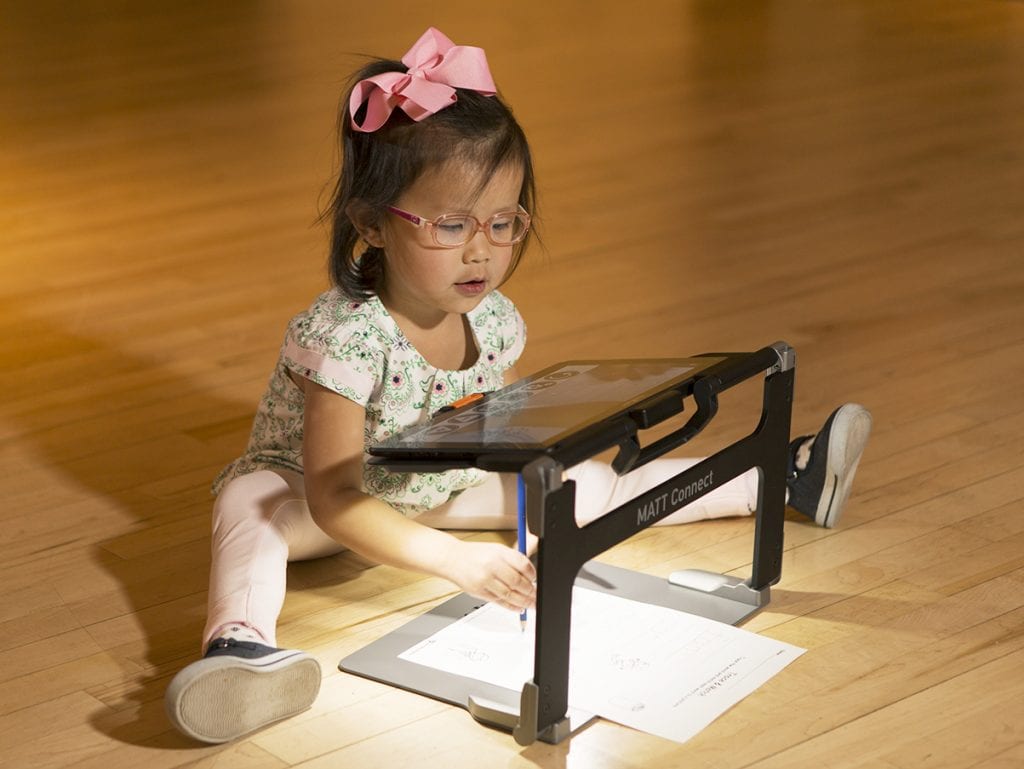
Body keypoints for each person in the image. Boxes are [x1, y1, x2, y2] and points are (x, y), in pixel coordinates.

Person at [164, 27, 872, 744]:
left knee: (583, 484)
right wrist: (455, 561)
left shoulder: (494, 319)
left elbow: (511, 436)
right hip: (322, 502)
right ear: (371, 224)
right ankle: (239, 648)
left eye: (502, 222)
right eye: (451, 226)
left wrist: (541, 523)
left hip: (435, 486)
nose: (482, 251)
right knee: (250, 504)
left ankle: (781, 476)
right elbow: (335, 496)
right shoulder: (346, 338)